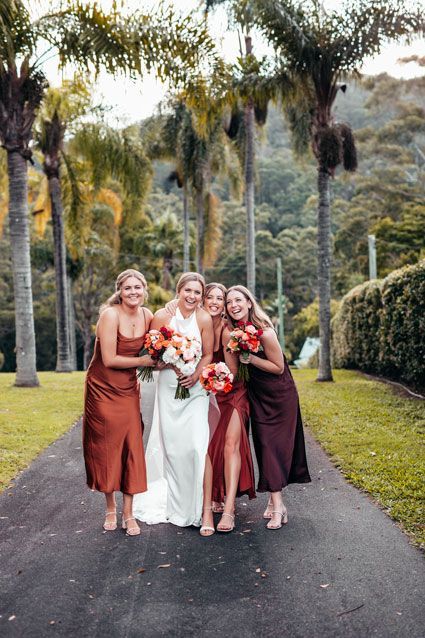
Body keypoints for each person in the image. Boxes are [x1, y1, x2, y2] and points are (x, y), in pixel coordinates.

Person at [226, 285, 311, 530]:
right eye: (229, 302)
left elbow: (279, 368)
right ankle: (275, 501)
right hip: (256, 395)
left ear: (249, 303)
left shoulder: (264, 332)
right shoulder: (234, 332)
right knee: (263, 447)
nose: (234, 305)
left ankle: (278, 506)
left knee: (272, 446)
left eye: (238, 300)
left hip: (279, 395)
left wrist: (251, 358)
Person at [133, 272, 213, 528]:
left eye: (197, 292)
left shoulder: (203, 318)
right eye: (187, 290)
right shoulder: (162, 316)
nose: (192, 296)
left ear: (201, 296)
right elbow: (151, 355)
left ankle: (200, 508)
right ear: (179, 291)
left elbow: (208, 353)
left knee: (195, 447)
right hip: (169, 388)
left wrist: (195, 374)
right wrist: (172, 363)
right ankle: (176, 506)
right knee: (175, 450)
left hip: (195, 390)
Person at [83, 269, 155, 536]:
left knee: (131, 444)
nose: (133, 292)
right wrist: (144, 362)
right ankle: (110, 507)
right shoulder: (110, 315)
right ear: (120, 291)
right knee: (107, 446)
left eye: (138, 287)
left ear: (144, 289)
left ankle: (129, 513)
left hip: (127, 389)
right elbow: (110, 359)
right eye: (128, 288)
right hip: (102, 388)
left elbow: (159, 347)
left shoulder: (148, 315)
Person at [203, 283, 256, 534]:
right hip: (208, 394)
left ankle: (229, 509)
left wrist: (213, 383)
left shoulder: (225, 331)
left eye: (220, 298)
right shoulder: (198, 325)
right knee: (209, 446)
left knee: (229, 445)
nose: (215, 302)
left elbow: (234, 373)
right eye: (210, 297)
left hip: (233, 393)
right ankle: (215, 494)